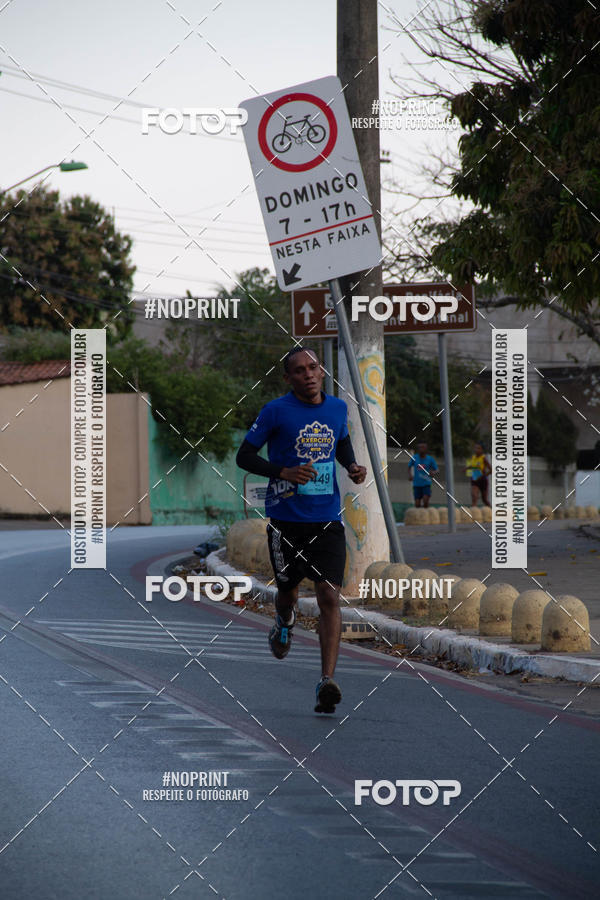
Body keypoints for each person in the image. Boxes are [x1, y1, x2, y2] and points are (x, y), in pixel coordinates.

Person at [236, 347, 366, 714]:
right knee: (289, 594)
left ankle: (326, 681)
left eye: (313, 367)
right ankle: (284, 619)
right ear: (288, 378)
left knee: (328, 596)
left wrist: (353, 465)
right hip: (285, 521)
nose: (308, 374)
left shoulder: (338, 408)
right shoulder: (275, 410)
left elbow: (340, 443)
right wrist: (284, 472)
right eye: (299, 370)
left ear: (322, 371)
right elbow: (244, 456)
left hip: (326, 520)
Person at [408, 441, 438, 508]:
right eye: (419, 447)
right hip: (416, 484)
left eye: (423, 447)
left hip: (426, 483)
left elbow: (436, 470)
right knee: (417, 504)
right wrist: (410, 475)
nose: (421, 449)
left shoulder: (430, 459)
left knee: (425, 500)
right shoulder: (415, 458)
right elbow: (409, 466)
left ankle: (426, 513)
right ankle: (419, 516)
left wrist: (433, 472)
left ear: (426, 449)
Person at [465, 442, 492, 507]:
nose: (476, 449)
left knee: (484, 499)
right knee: (474, 496)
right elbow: (472, 465)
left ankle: (491, 510)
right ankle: (474, 511)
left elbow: (491, 470)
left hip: (482, 480)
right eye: (475, 448)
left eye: (478, 448)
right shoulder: (473, 457)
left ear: (482, 450)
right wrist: (466, 468)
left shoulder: (483, 458)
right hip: (474, 479)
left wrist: (484, 475)